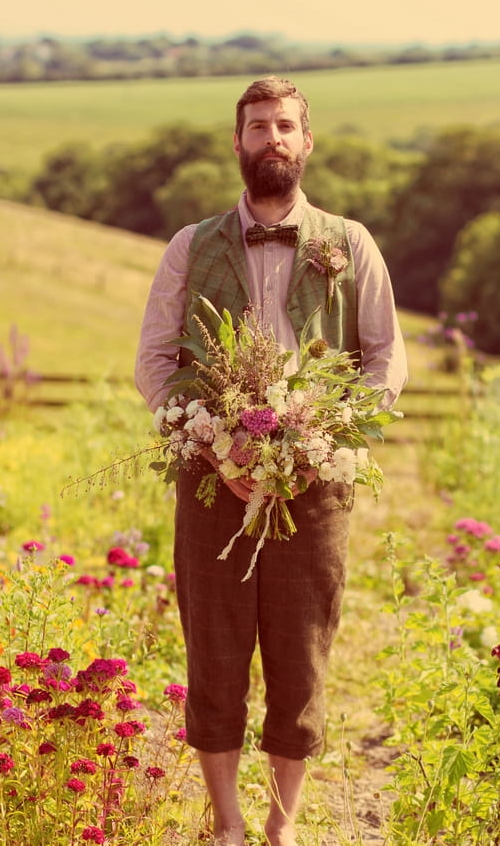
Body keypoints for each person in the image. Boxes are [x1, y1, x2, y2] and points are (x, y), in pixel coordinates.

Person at [135, 76, 408, 846]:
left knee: (302, 655)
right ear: (238, 143)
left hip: (315, 483)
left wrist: (327, 431)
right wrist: (212, 443)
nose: (273, 140)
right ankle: (227, 826)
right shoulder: (190, 246)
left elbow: (387, 360)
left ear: (307, 141)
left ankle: (281, 829)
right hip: (211, 481)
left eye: (285, 126)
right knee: (214, 650)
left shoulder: (351, 243)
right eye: (258, 127)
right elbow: (154, 360)